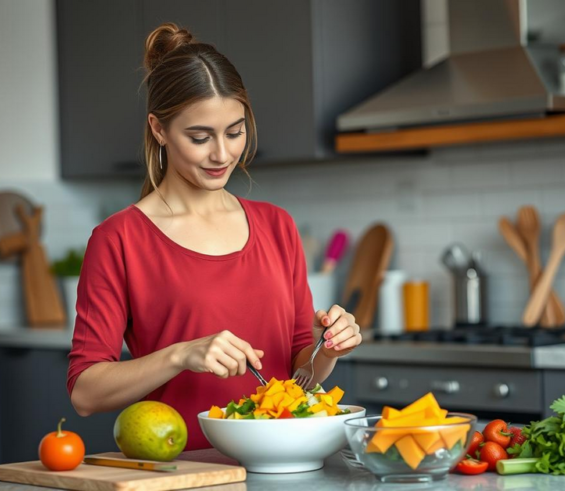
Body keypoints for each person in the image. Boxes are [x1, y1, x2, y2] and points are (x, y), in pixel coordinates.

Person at [66, 23, 363, 450]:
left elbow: (300, 371)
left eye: (235, 131)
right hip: (184, 471)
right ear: (159, 129)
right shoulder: (119, 239)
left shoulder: (277, 225)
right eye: (200, 137)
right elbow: (85, 393)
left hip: (284, 467)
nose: (222, 154)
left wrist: (328, 349)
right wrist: (180, 355)